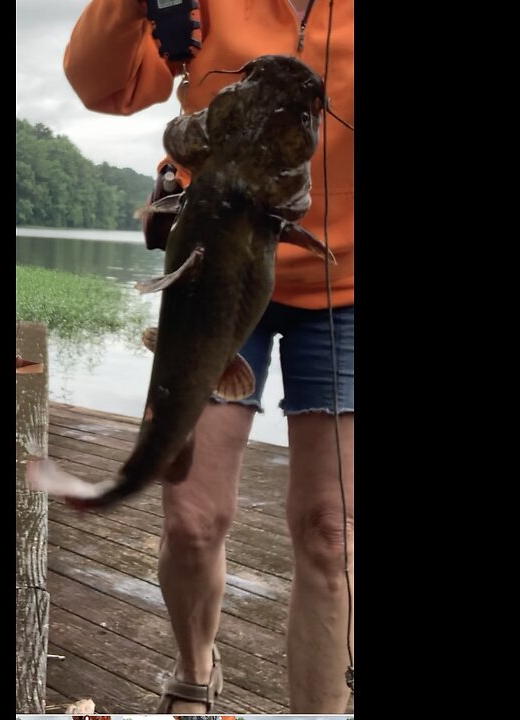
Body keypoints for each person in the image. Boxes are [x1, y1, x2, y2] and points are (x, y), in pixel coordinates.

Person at [64, 0, 353, 713]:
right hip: (206, 271)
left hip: (344, 286)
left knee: (327, 531)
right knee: (191, 519)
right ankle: (195, 675)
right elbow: (100, 85)